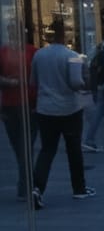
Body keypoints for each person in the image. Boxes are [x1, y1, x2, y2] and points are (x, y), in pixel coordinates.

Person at [29, 21, 93, 208]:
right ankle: (79, 188)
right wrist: (85, 85)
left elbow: (33, 81)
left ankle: (37, 188)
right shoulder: (73, 56)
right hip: (69, 109)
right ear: (64, 35)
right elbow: (75, 82)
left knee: (47, 150)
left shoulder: (39, 55)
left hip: (45, 109)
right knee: (74, 149)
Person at [0, 22, 37, 198]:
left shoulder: (32, 52)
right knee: (19, 147)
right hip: (10, 105)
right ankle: (27, 182)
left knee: (25, 147)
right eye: (11, 32)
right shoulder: (3, 53)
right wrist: (11, 82)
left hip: (28, 103)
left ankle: (25, 185)